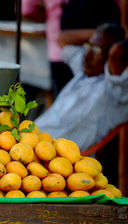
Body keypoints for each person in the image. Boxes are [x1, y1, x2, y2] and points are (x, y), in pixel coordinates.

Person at [35, 23, 128, 152]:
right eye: (88, 46)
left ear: (109, 58)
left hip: (51, 156)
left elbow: (117, 51)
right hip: (31, 138)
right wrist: (99, 35)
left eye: (97, 50)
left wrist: (113, 40)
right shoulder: (83, 70)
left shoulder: (115, 91)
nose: (87, 54)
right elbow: (62, 38)